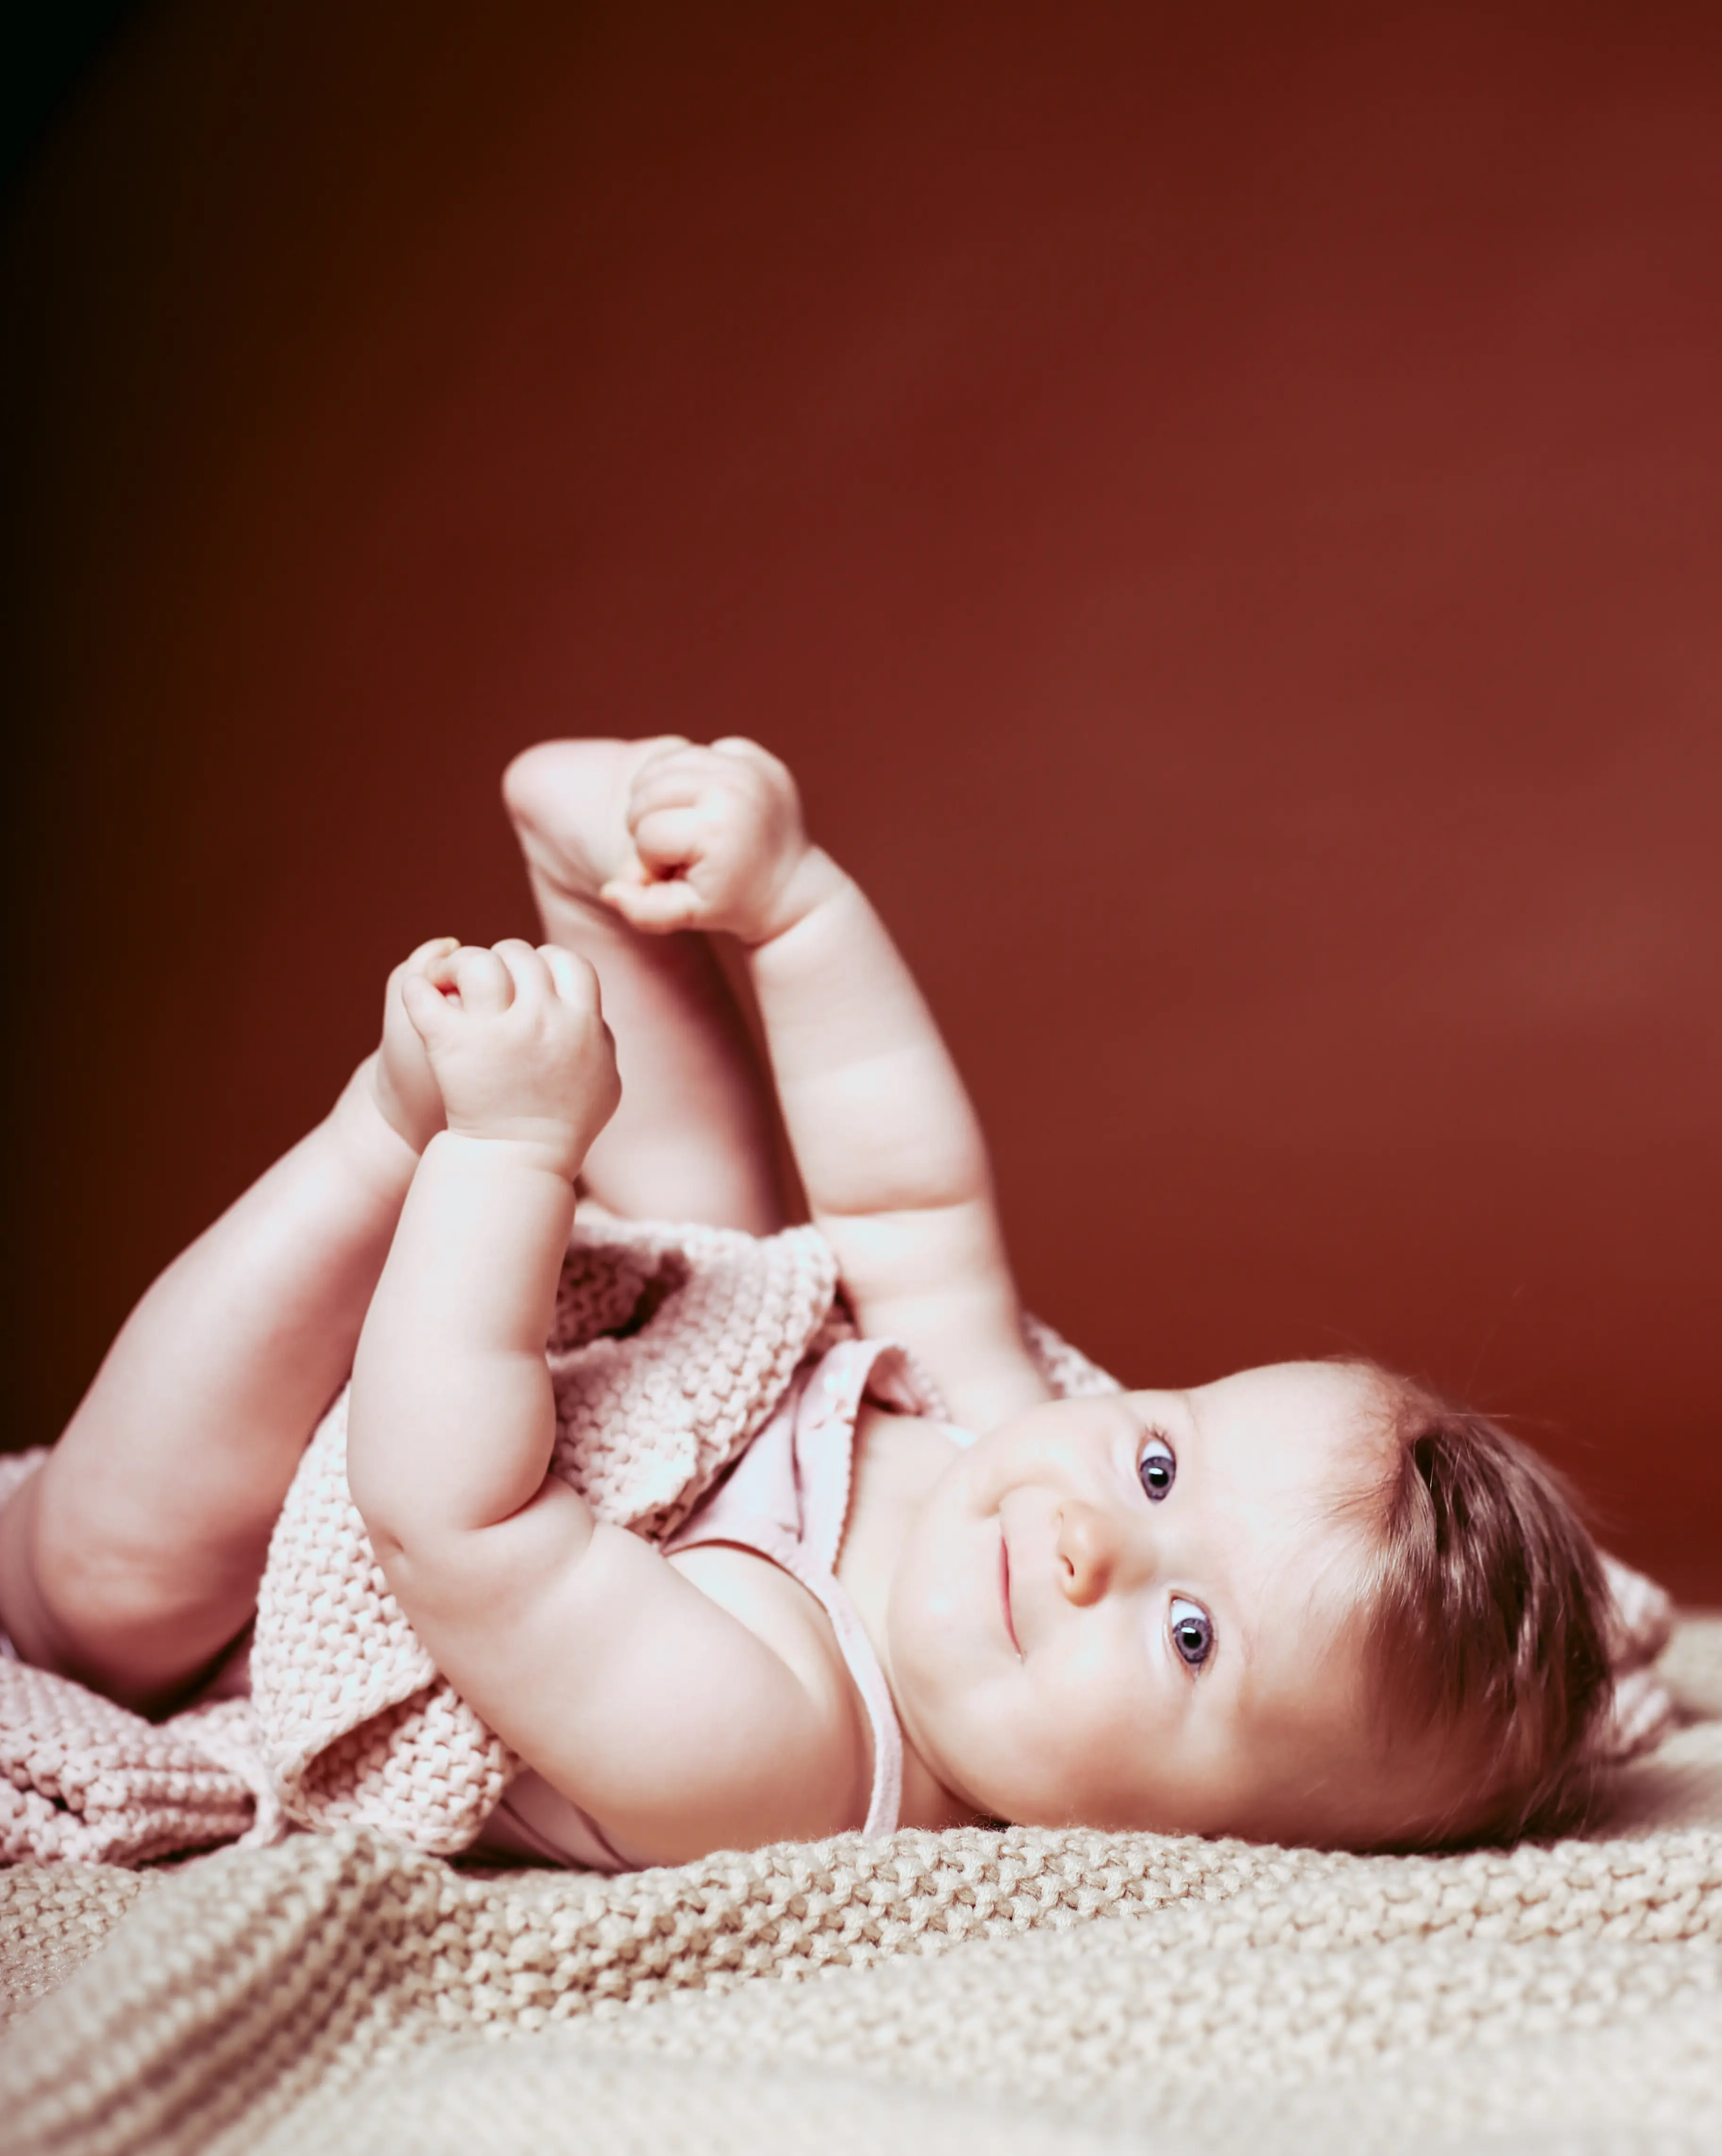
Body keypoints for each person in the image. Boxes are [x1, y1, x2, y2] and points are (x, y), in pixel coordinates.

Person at [0, 739, 1656, 1868]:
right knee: (734, 1253)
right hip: (591, 1364)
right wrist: (793, 907)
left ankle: (383, 1120)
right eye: (1162, 1466)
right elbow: (903, 1205)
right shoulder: (1021, 1448)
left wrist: (495, 1149)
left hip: (319, 1562)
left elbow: (460, 1530)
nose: (1096, 1539)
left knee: (108, 1563)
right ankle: (620, 894)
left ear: (1195, 1848)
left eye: (1191, 1634)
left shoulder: (795, 1747)